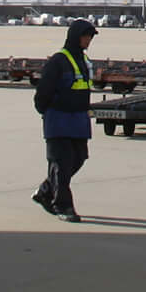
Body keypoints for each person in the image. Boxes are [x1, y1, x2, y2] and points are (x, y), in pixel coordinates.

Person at [32, 18, 99, 221]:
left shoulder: (83, 60)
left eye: (90, 37)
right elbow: (42, 93)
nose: (88, 40)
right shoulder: (58, 61)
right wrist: (47, 111)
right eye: (86, 36)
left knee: (78, 159)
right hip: (59, 119)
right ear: (76, 37)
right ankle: (63, 206)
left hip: (78, 120)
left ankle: (45, 191)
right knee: (61, 164)